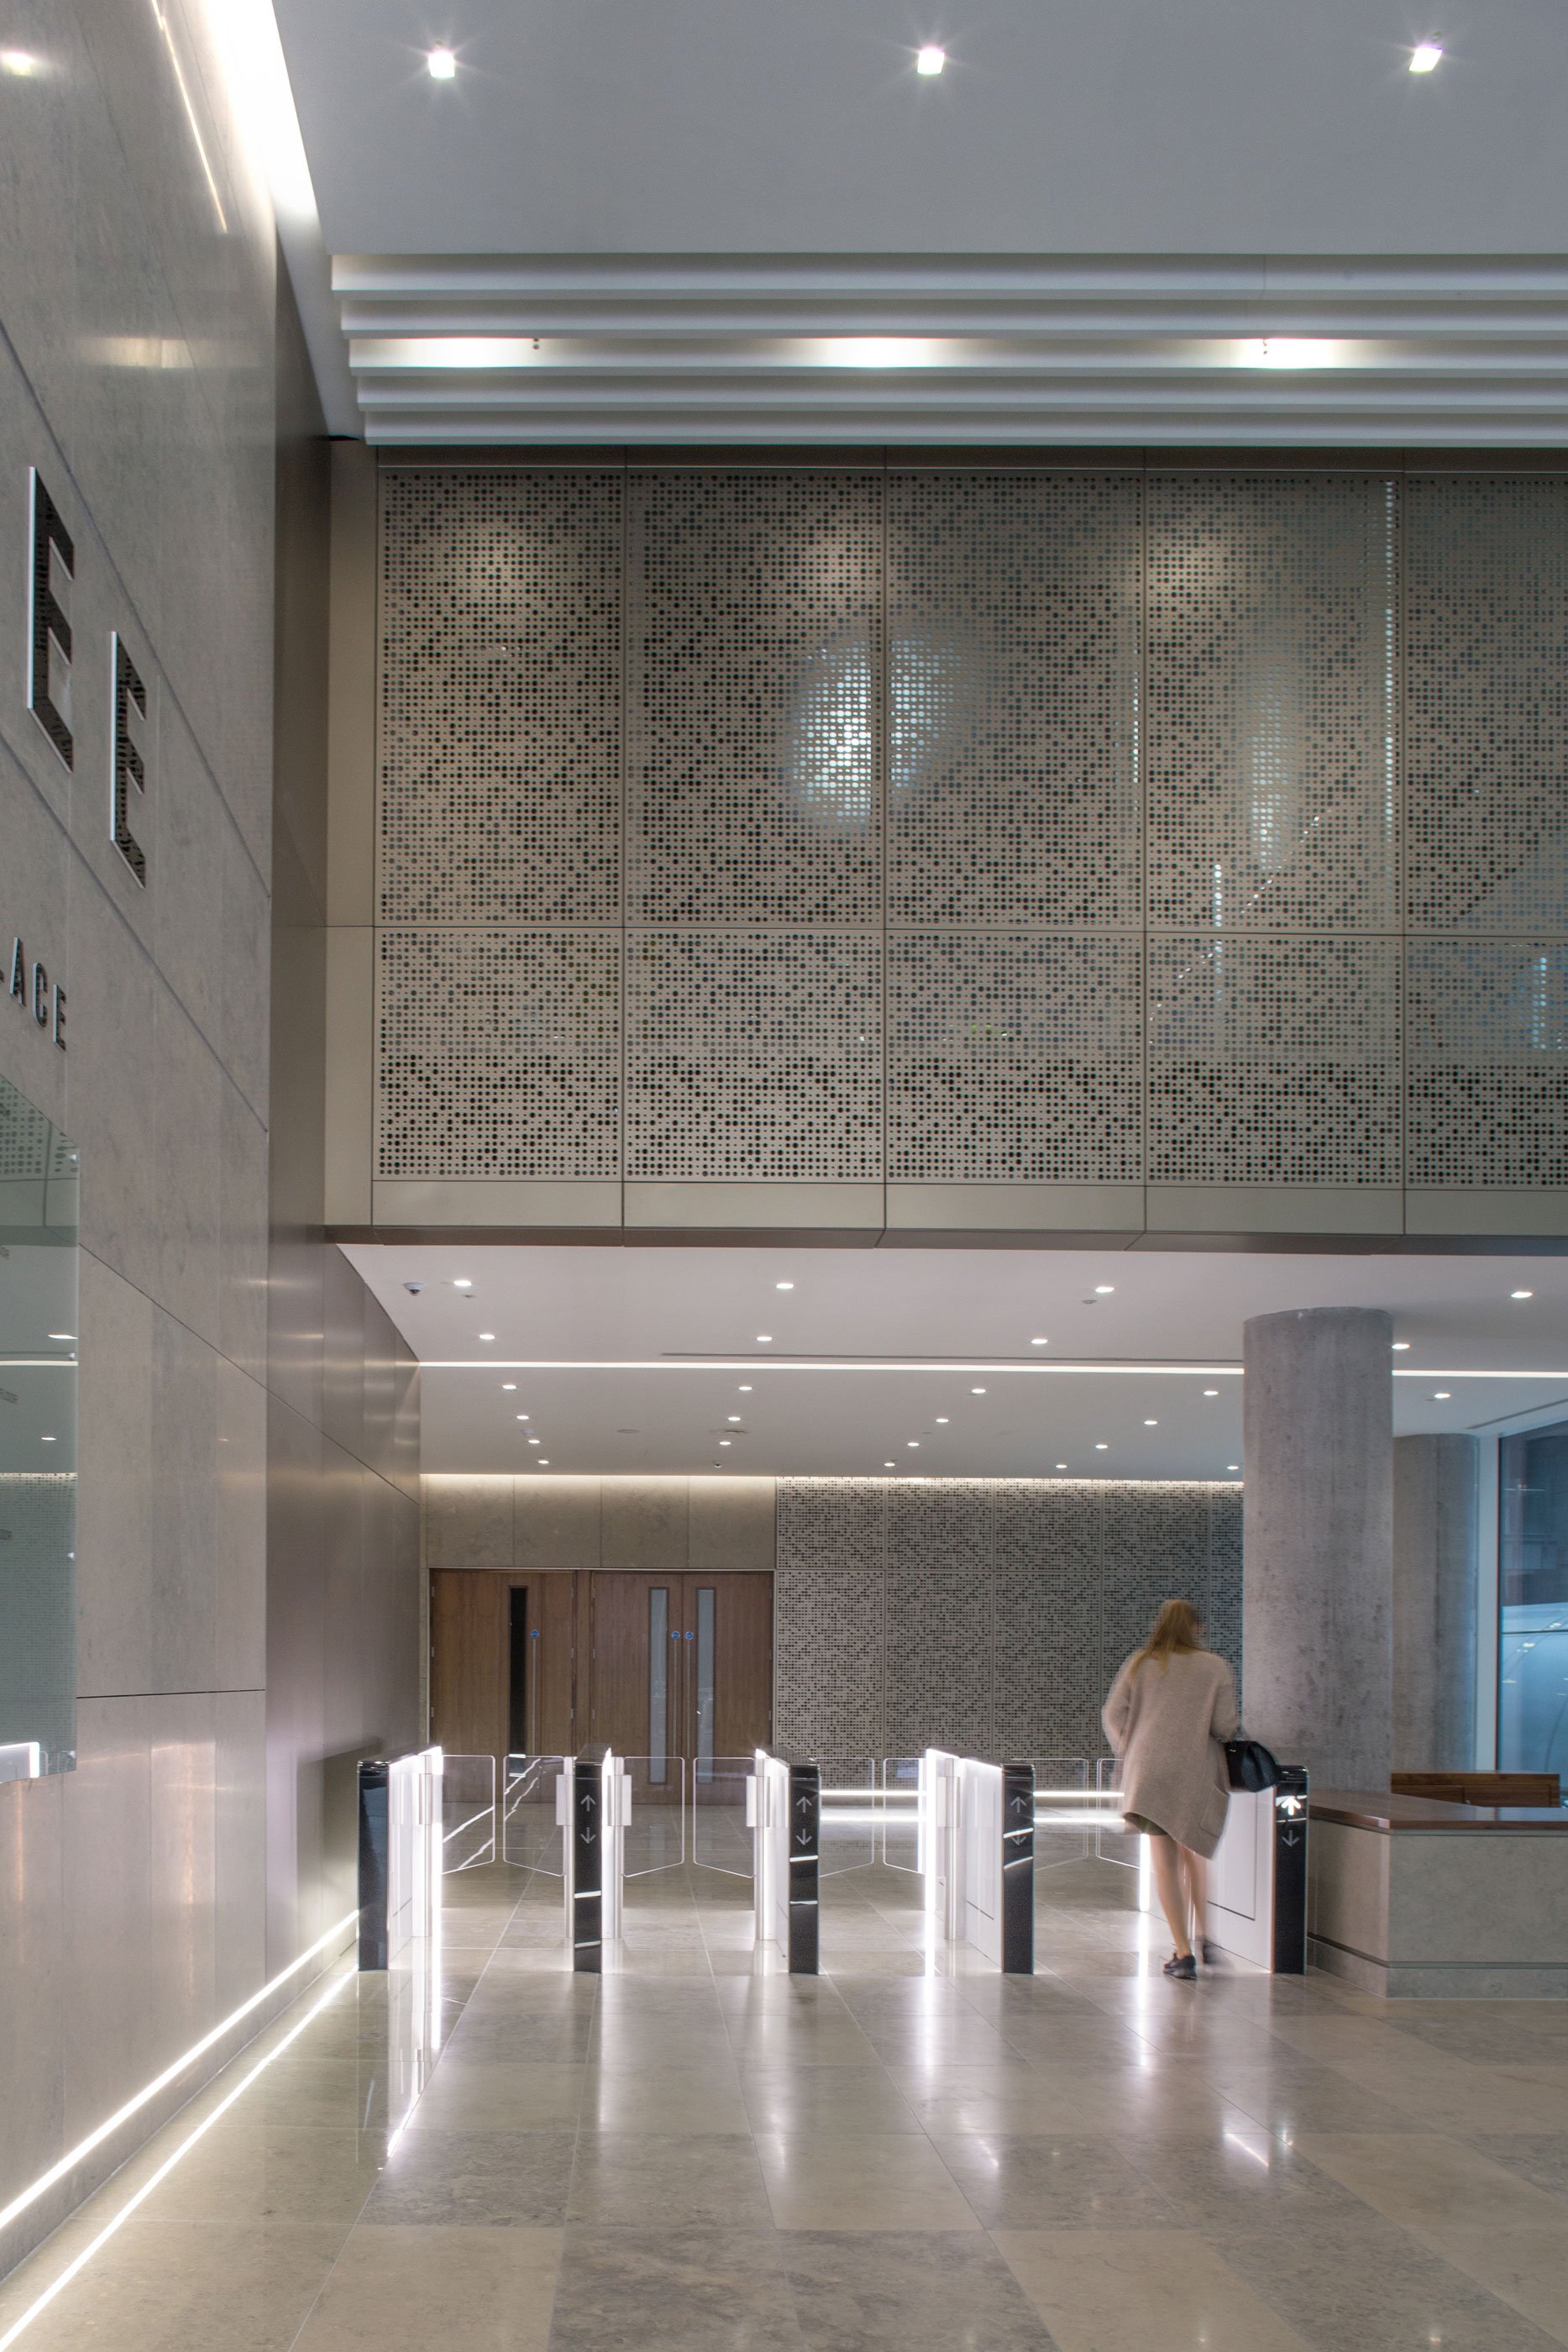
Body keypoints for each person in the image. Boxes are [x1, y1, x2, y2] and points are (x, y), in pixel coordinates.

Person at [1102, 1598, 1238, 1981]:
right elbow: (1226, 1725)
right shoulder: (1215, 1667)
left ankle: (1182, 1953)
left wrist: (1133, 1747)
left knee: (1164, 1863)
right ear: (1197, 1627)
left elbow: (1113, 1714)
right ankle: (1205, 1935)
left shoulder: (1141, 1662)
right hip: (1194, 1770)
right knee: (1195, 1853)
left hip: (1150, 1774)